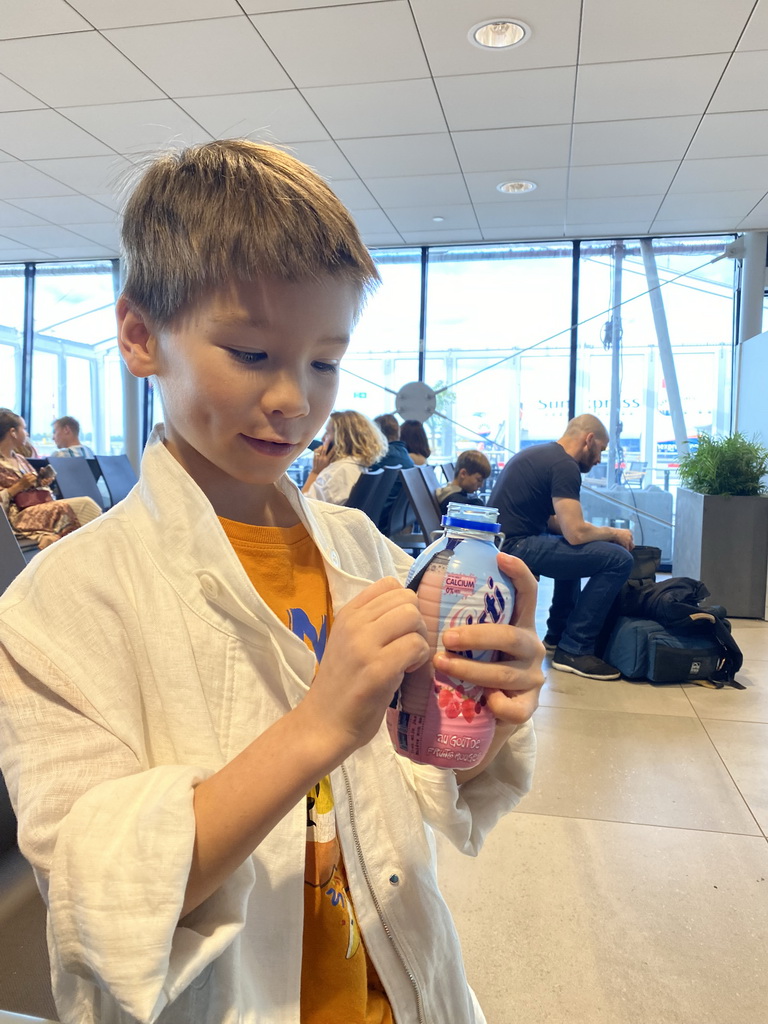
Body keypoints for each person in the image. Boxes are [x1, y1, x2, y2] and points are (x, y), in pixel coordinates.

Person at [0, 140, 544, 1024]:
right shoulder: (59, 608)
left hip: (405, 984)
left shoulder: (366, 549)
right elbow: (102, 894)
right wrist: (317, 726)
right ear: (141, 336)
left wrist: (477, 710)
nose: (297, 399)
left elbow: (420, 782)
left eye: (326, 362)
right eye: (252, 354)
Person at [490, 414, 634, 681]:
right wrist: (613, 534)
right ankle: (575, 649)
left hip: (504, 541)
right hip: (516, 545)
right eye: (600, 450)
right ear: (589, 440)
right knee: (619, 560)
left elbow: (559, 524)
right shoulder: (564, 465)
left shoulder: (542, 455)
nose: (600, 459)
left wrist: (596, 535)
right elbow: (576, 532)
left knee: (579, 548)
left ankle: (557, 634)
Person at [0, 408, 101, 550]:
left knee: (84, 505)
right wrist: (16, 488)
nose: (27, 433)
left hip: (36, 508)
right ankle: (92, 550)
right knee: (85, 505)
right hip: (17, 516)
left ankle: (66, 543)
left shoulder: (20, 459)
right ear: (13, 432)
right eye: (24, 428)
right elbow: (10, 495)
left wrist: (41, 482)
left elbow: (32, 489)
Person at [301, 408, 387, 505]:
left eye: (328, 433)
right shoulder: (355, 466)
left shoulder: (338, 471)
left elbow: (300, 509)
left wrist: (315, 472)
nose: (323, 438)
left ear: (341, 439)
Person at [371, 413, 414, 531]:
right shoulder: (405, 456)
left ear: (376, 433)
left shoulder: (383, 458)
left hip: (380, 521)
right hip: (395, 520)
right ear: (398, 432)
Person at [436, 450, 491, 517]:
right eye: (479, 480)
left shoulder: (449, 493)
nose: (481, 485)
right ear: (463, 474)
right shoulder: (454, 501)